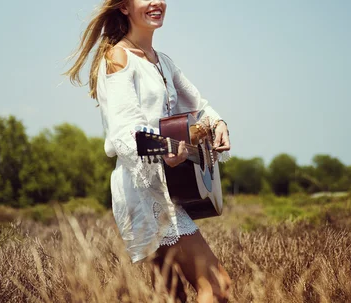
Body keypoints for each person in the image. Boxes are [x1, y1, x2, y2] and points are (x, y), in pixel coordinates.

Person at [63, 0, 232, 302]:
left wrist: (218, 122)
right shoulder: (118, 57)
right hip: (144, 192)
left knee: (172, 297)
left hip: (167, 187)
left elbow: (198, 104)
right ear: (125, 8)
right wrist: (167, 149)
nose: (156, 2)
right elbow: (125, 132)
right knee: (218, 286)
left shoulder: (161, 61)